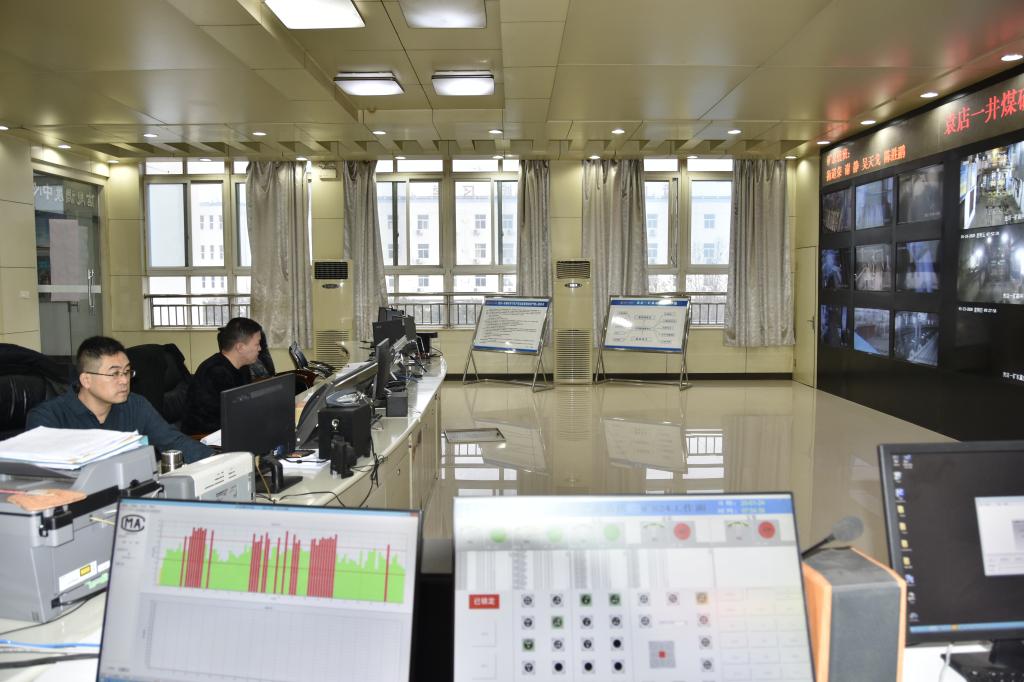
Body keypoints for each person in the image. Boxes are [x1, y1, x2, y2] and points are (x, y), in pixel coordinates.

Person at [26, 336, 212, 463]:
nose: (124, 380)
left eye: (127, 372)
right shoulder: (48, 419)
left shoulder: (136, 405)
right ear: (86, 380)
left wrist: (221, 462)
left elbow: (174, 442)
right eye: (114, 374)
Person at [182, 317, 264, 435]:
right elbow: (222, 419)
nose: (260, 348)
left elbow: (244, 406)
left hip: (229, 429)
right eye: (257, 344)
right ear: (240, 347)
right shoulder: (215, 373)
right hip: (204, 436)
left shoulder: (242, 367)